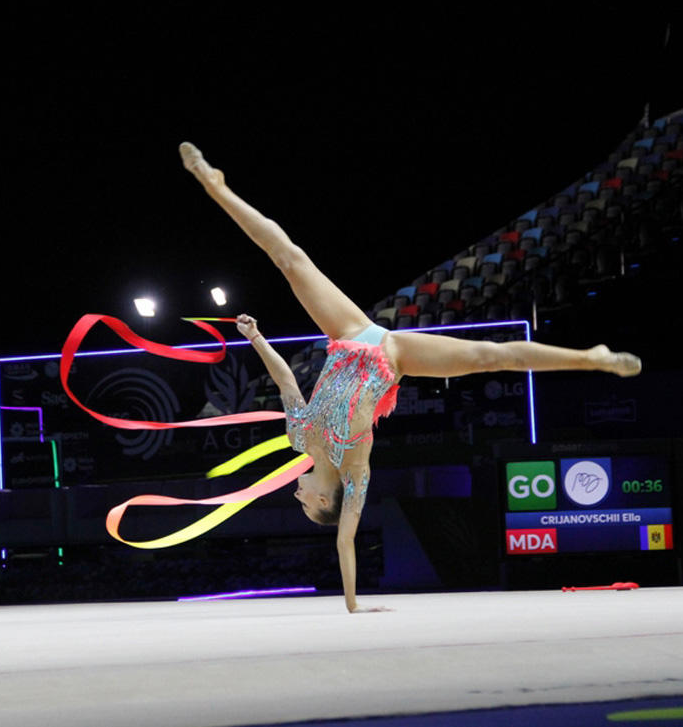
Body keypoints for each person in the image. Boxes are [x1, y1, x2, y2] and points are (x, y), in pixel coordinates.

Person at [179, 142, 641, 613]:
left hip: (350, 333)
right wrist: (354, 604)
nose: (298, 498)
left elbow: (286, 385)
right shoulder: (355, 472)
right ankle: (591, 358)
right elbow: (346, 540)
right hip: (394, 359)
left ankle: (217, 188)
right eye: (306, 505)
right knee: (488, 356)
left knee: (291, 259)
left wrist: (256, 339)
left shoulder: (301, 438)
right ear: (323, 498)